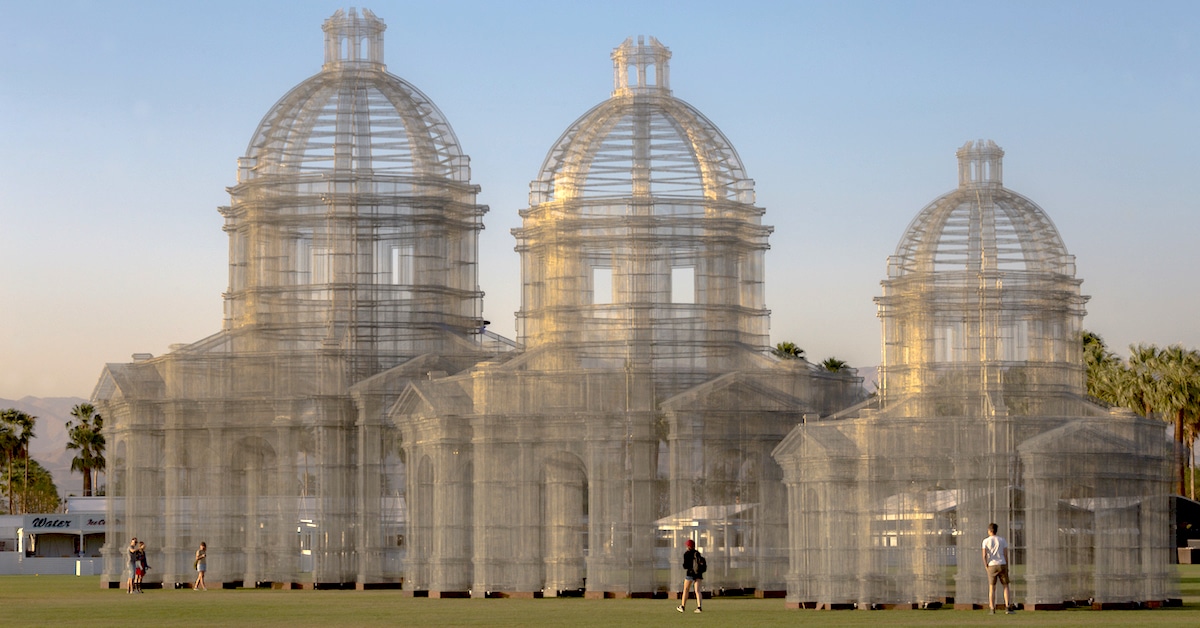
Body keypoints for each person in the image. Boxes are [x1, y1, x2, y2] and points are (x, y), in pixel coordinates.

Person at [982, 522, 1013, 614]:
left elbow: (984, 555)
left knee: (992, 587)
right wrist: (1006, 565)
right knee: (1005, 586)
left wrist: (986, 565)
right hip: (1002, 563)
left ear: (990, 531)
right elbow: (1005, 554)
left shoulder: (985, 541)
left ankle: (992, 608)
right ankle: (1007, 606)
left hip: (991, 564)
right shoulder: (1002, 540)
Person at [676, 539, 703, 613]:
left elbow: (685, 566)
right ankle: (699, 607)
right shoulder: (697, 553)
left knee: (686, 589)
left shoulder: (687, 554)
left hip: (690, 574)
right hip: (698, 574)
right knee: (697, 591)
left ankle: (682, 606)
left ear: (688, 546)